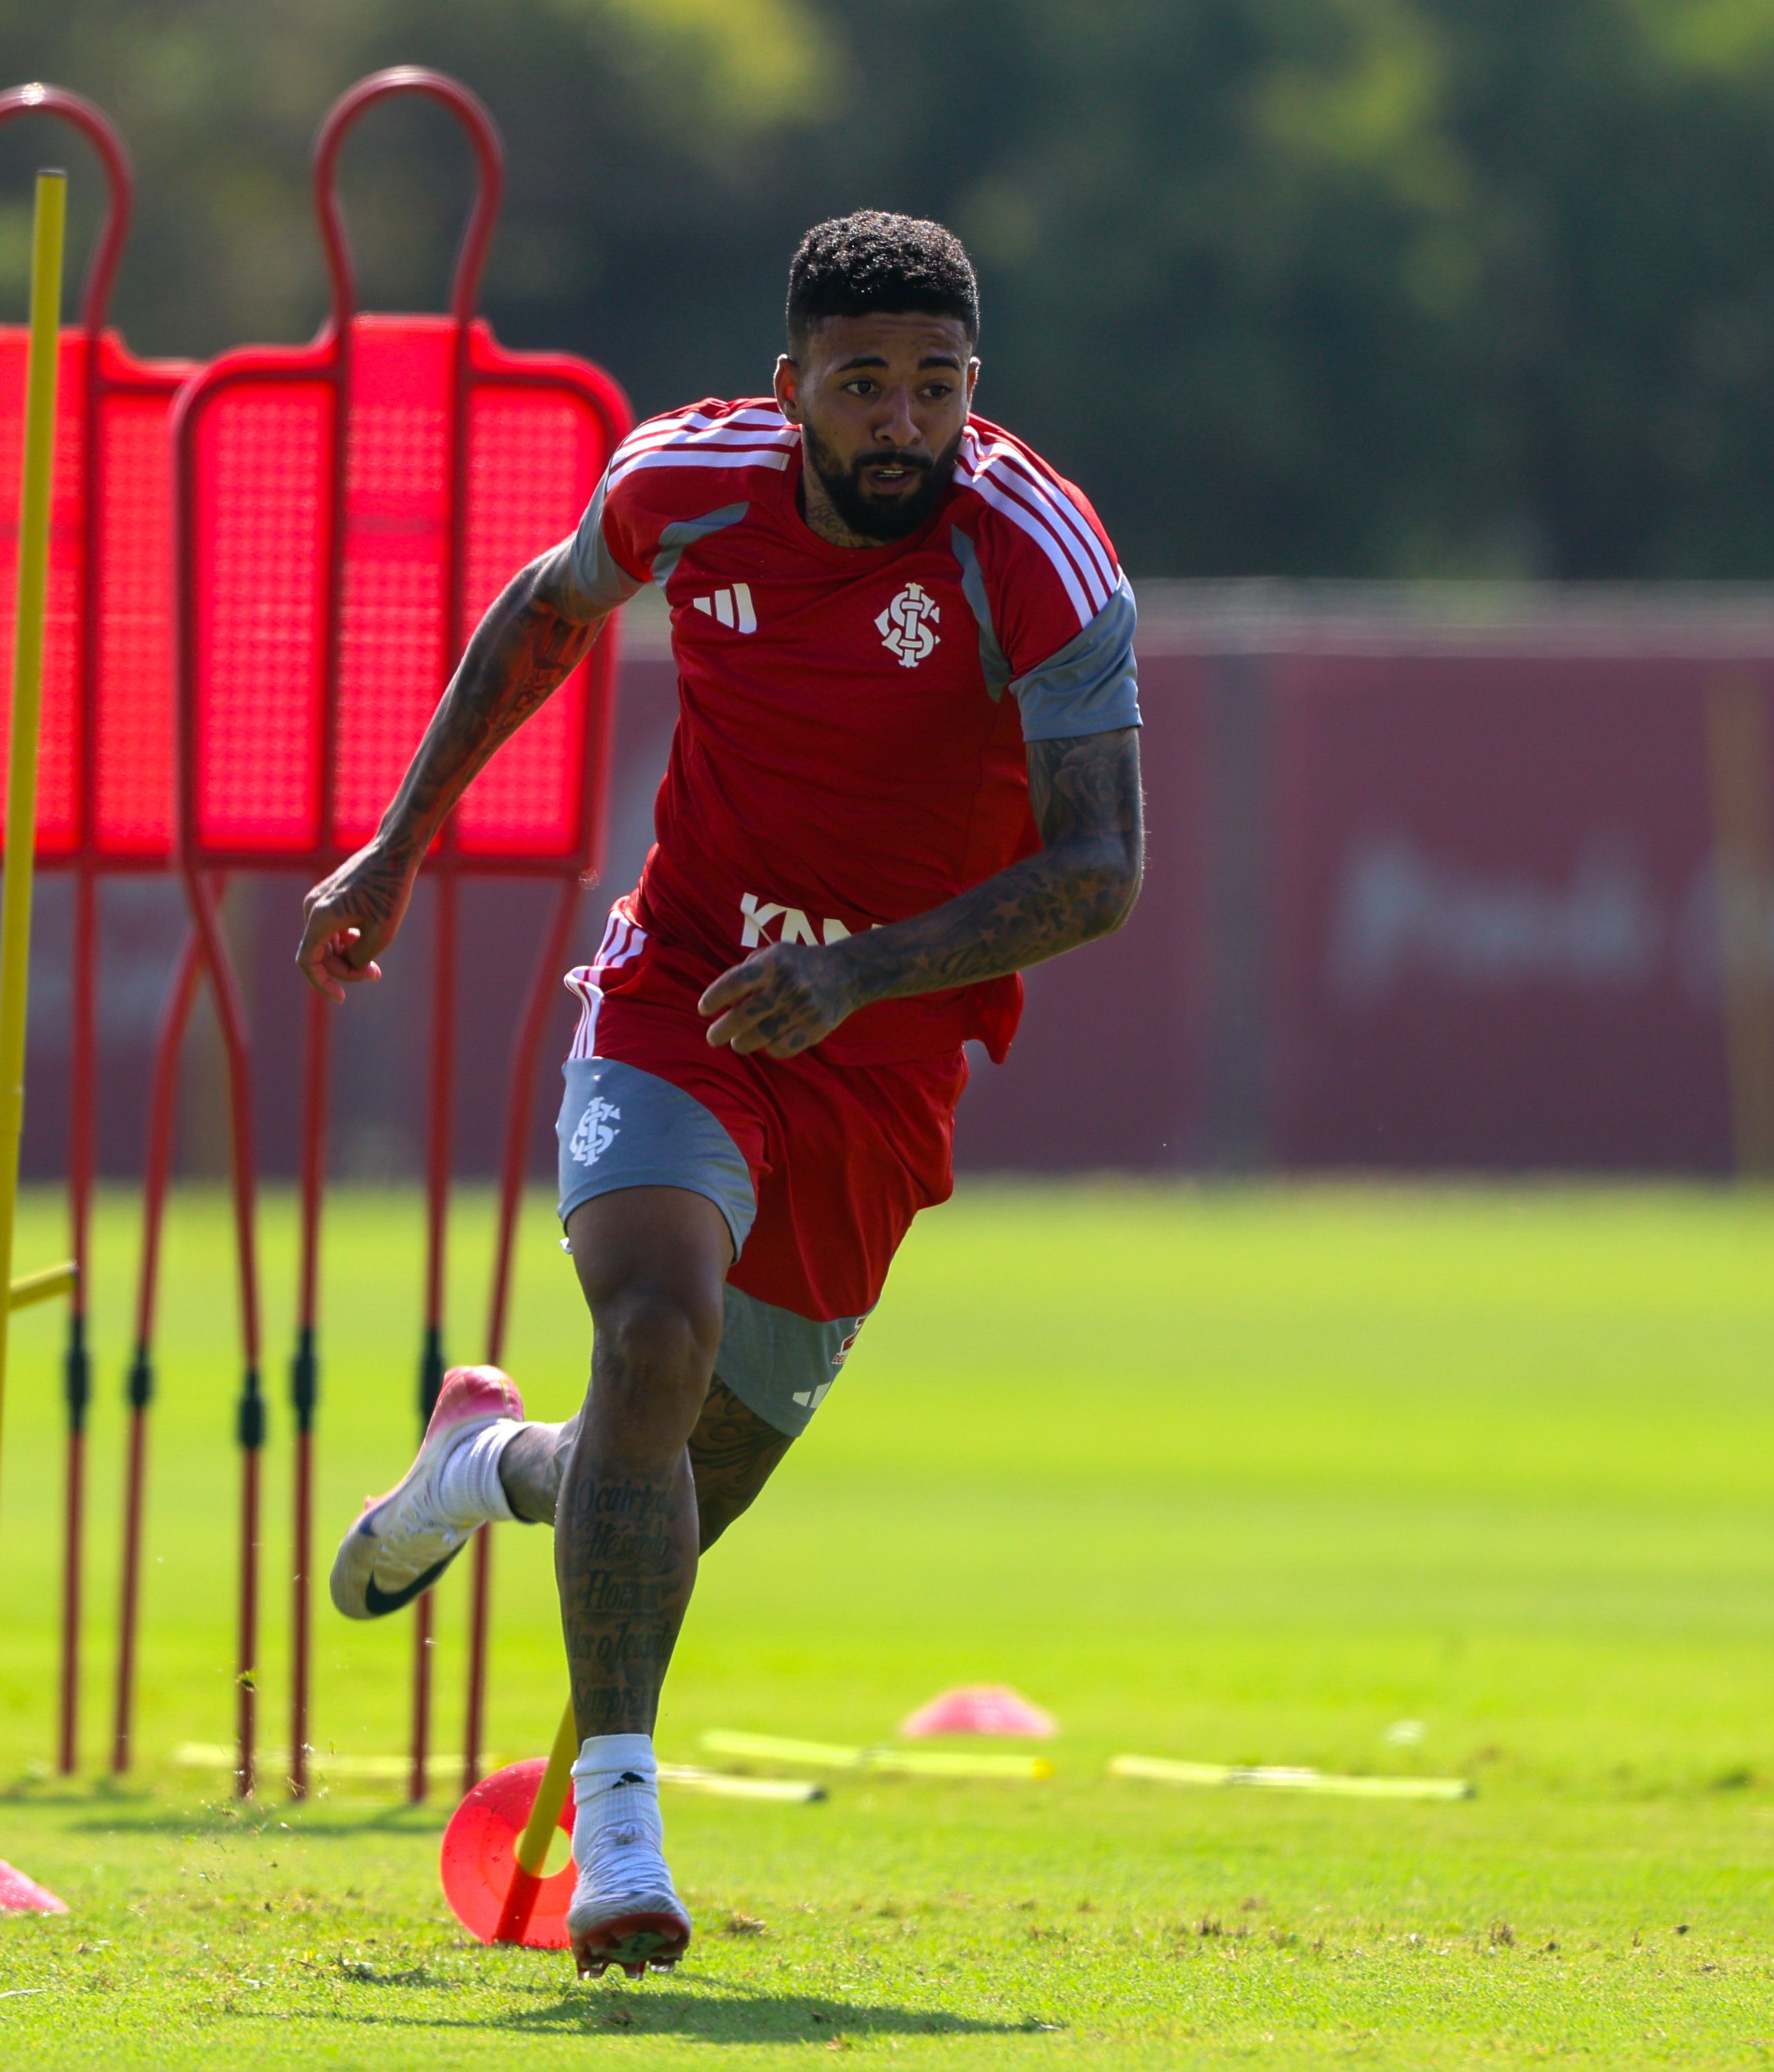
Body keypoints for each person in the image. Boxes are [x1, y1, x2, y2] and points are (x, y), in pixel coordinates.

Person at [298, 212, 1145, 1979]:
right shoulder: (684, 483)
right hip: (682, 989)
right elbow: (544, 616)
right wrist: (396, 847)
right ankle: (622, 1837)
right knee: (652, 1334)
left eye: (935, 386)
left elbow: (1099, 873)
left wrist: (858, 972)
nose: (901, 421)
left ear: (972, 388)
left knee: (681, 1474)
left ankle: (481, 1468)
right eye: (862, 385)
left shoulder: (1039, 554)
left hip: (882, 1052)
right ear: (792, 388)